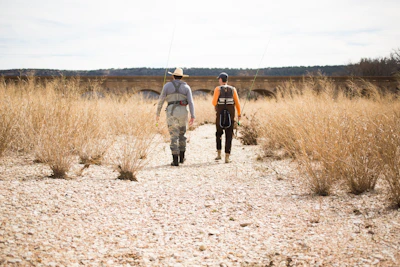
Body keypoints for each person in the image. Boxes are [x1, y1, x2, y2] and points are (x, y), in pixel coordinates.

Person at [156, 68, 195, 166]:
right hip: (183, 112)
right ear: (181, 77)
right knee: (182, 135)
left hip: (171, 112)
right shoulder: (186, 87)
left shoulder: (167, 86)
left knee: (174, 135)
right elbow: (191, 102)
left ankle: (175, 160)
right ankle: (182, 158)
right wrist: (192, 116)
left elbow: (161, 100)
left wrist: (157, 113)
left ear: (173, 76)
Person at [212, 72, 241, 163]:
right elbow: (237, 103)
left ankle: (219, 154)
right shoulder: (233, 89)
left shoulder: (217, 89)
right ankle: (227, 157)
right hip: (230, 114)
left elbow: (214, 102)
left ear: (221, 80)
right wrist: (239, 114)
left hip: (220, 114)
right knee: (229, 135)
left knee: (219, 134)